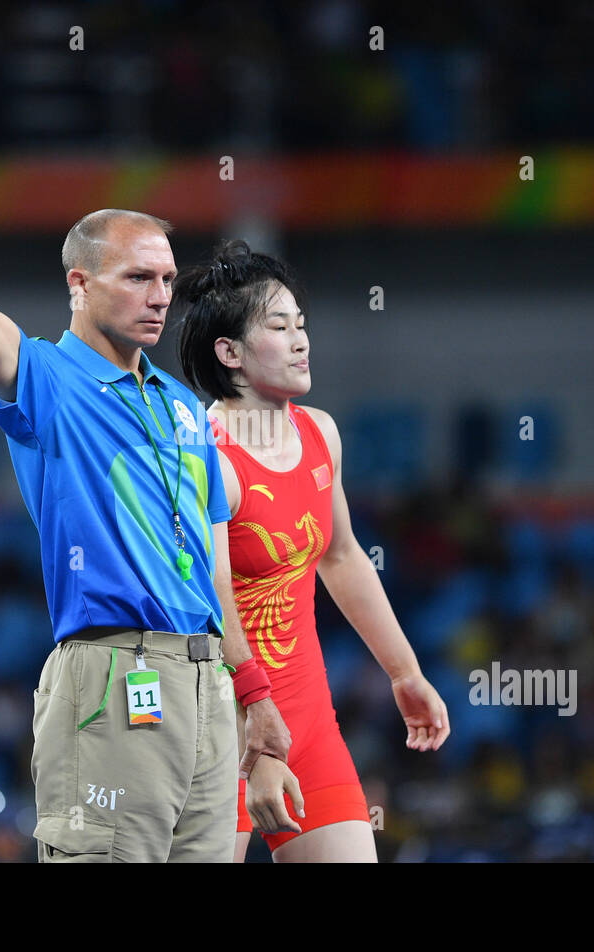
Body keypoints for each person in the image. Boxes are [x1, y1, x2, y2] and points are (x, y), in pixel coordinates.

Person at [0, 32, 293, 862]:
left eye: (166, 279)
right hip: (111, 682)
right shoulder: (46, 379)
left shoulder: (188, 411)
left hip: (207, 690)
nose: (161, 297)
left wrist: (254, 697)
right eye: (136, 278)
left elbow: (213, 573)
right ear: (77, 284)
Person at [174, 239, 451, 862]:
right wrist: (258, 728)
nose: (301, 340)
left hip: (307, 721)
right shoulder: (201, 451)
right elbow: (214, 596)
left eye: (302, 324)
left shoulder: (319, 430)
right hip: (220, 725)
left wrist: (404, 673)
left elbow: (343, 556)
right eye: (279, 326)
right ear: (231, 354)